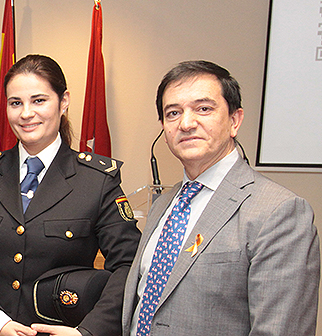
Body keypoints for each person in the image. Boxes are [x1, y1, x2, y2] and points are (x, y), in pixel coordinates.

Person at [121, 60, 320, 335]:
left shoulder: (280, 211)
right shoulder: (163, 204)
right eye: (173, 113)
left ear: (234, 120)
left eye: (203, 109)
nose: (187, 123)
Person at [0, 54, 141, 336]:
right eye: (16, 103)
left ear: (64, 101)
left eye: (39, 100)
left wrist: (88, 331)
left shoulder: (97, 181)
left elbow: (129, 264)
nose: (26, 113)